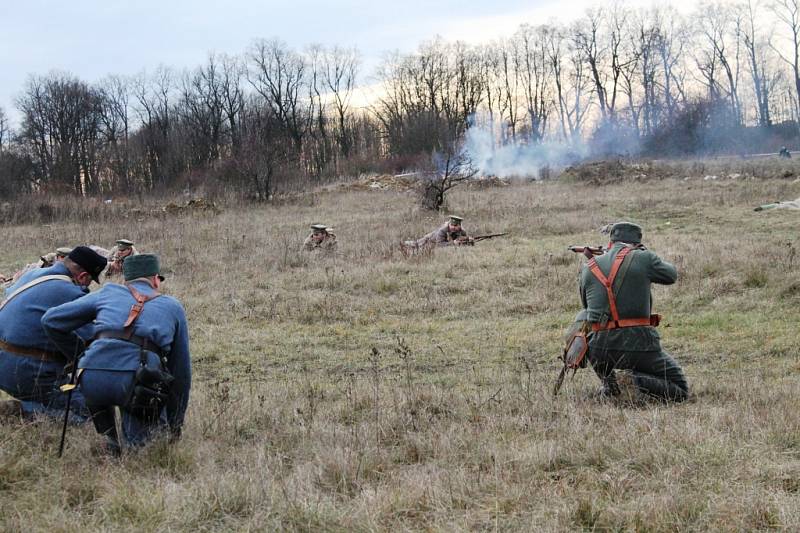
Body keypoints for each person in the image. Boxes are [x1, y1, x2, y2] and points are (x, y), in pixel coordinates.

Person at [43, 254, 191, 454]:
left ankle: (110, 441)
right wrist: (175, 423)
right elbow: (181, 373)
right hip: (137, 382)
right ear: (156, 279)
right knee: (142, 449)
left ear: (126, 280)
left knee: (105, 402)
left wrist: (79, 355)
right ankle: (132, 448)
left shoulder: (108, 292)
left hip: (90, 376)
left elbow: (50, 320)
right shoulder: (172, 306)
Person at [579, 221, 689, 402]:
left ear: (610, 243)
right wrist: (644, 254)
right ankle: (632, 380)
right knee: (680, 389)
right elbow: (671, 275)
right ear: (637, 243)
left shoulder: (589, 267)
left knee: (614, 366)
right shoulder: (643, 257)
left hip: (599, 349)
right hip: (639, 345)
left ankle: (611, 386)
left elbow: (587, 308)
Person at [0, 246, 107, 420]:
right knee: (91, 413)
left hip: (4, 365)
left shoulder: (31, 275)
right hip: (27, 372)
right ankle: (26, 411)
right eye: (89, 281)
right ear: (83, 276)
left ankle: (28, 403)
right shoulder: (70, 293)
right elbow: (92, 339)